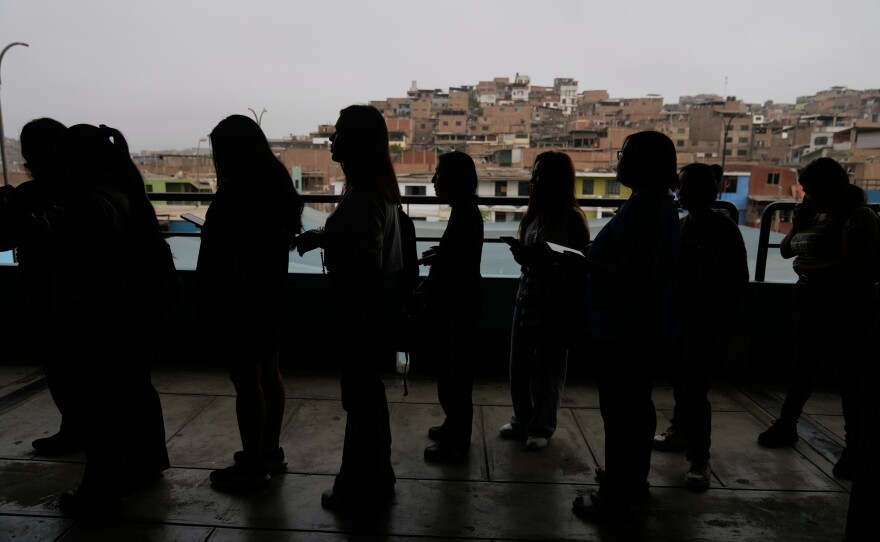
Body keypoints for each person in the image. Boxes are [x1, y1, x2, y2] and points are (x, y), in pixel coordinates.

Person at [53, 124, 172, 512]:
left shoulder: (89, 203)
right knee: (134, 389)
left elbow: (78, 267)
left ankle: (104, 484)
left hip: (96, 314)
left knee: (97, 402)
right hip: (129, 310)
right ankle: (145, 463)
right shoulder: (124, 193)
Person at [296, 104, 403, 510]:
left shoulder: (364, 195)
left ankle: (360, 487)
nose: (331, 139)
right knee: (367, 397)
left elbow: (367, 257)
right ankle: (376, 477)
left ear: (356, 142)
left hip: (361, 313)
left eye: (338, 132)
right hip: (372, 312)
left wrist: (325, 239)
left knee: (361, 399)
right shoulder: (375, 191)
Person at [572, 131, 680, 519]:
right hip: (642, 328)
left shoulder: (645, 208)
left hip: (626, 329)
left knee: (619, 412)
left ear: (644, 164)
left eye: (624, 154)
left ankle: (614, 497)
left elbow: (635, 275)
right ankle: (632, 475)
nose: (619, 160)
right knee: (638, 405)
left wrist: (583, 264)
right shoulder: (656, 204)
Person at [194, 114, 303, 492]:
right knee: (269, 373)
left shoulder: (236, 193)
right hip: (270, 293)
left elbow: (223, 250)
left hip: (238, 298)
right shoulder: (276, 184)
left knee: (245, 381)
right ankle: (269, 450)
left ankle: (253, 465)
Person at [757, 157, 880, 480]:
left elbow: (852, 265)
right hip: (811, 301)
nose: (809, 196)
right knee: (803, 367)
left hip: (845, 306)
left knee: (849, 377)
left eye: (813, 190)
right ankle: (787, 424)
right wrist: (798, 225)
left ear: (835, 187)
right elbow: (786, 251)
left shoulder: (859, 217)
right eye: (806, 191)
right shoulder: (816, 215)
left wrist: (808, 270)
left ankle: (855, 448)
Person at [652, 163, 748, 490]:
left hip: (703, 320)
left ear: (705, 191)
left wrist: (721, 318)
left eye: (686, 186)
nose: (680, 192)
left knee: (694, 388)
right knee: (680, 381)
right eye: (680, 186)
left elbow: (736, 280)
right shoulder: (685, 226)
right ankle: (681, 431)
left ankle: (699, 456)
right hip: (682, 318)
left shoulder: (720, 228)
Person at [0, 118, 82, 454]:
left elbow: (3, 239)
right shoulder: (85, 190)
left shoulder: (27, 196)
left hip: (41, 291)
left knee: (58, 366)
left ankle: (73, 429)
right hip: (85, 292)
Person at [500, 150, 590, 451]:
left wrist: (536, 259)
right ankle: (524, 419)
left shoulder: (571, 218)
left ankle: (541, 425)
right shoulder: (536, 214)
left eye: (540, 175)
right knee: (520, 362)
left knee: (548, 367)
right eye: (534, 174)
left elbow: (577, 265)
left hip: (555, 300)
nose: (534, 180)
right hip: (528, 295)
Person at [415, 151, 484, 463]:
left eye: (439, 174)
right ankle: (453, 426)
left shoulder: (464, 214)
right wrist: (441, 253)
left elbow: (458, 266)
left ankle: (456, 442)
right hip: (461, 306)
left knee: (454, 376)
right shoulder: (465, 211)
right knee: (453, 374)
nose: (433, 180)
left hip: (458, 308)